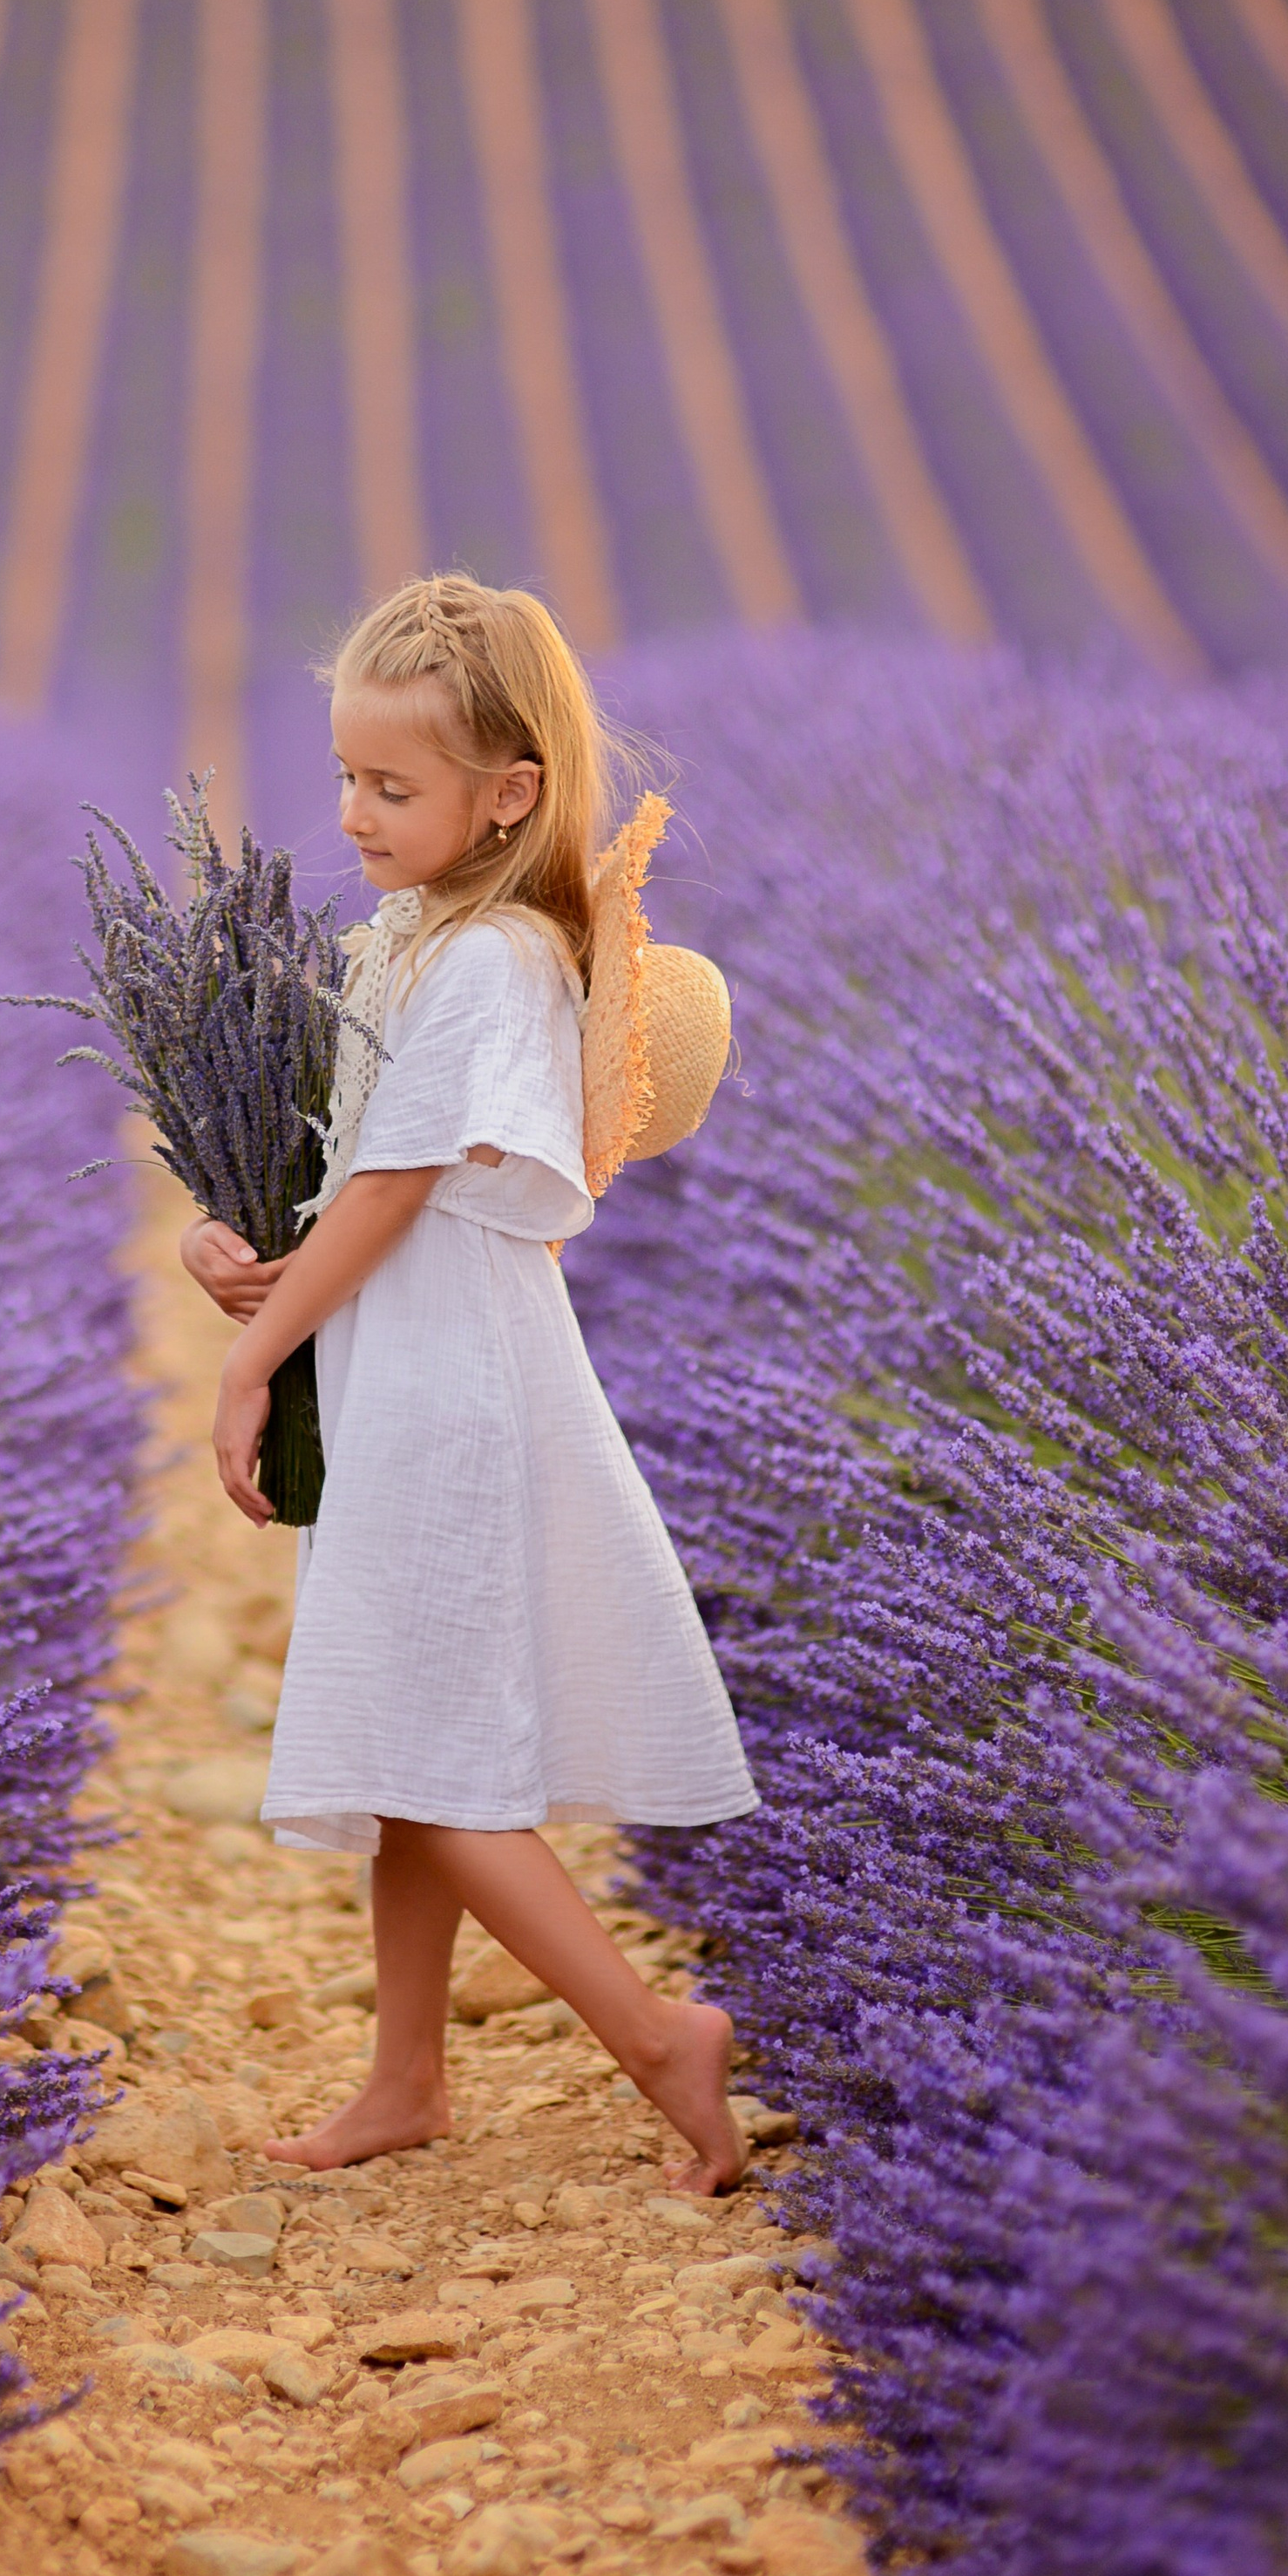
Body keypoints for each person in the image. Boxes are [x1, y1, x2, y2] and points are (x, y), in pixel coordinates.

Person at [179, 574, 758, 2192]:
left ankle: (656, 2035)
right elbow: (338, 1172)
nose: (355, 813)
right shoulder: (413, 936)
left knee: (422, 1741)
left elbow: (393, 1188)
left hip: (447, 1385)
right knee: (402, 1726)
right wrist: (236, 1254)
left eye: (394, 787)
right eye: (350, 777)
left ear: (507, 797)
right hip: (406, 1357)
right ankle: (407, 2075)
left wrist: (253, 1351)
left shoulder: (497, 958)